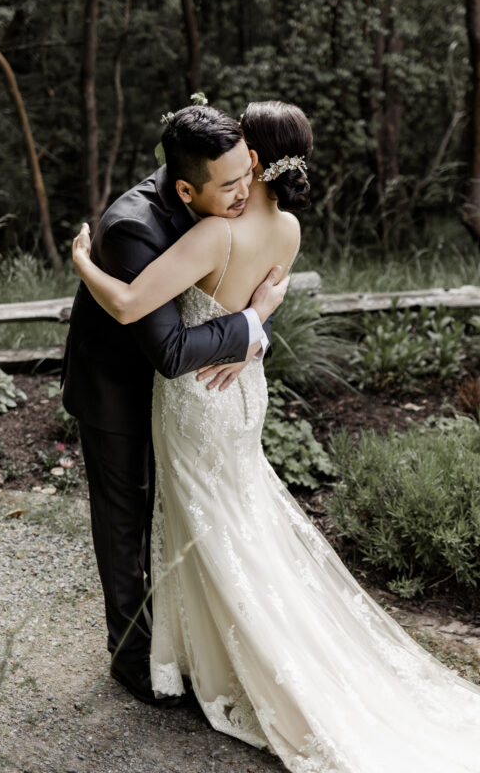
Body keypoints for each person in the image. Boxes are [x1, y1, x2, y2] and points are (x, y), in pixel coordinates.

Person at [72, 101, 480, 773]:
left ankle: (237, 658)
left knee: (210, 524)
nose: (235, 181)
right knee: (241, 520)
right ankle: (208, 647)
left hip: (197, 399)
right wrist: (253, 324)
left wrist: (82, 261)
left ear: (255, 161)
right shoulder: (287, 229)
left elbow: (130, 306)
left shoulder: (213, 234)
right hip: (240, 392)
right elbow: (253, 303)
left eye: (242, 165)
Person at [61, 104, 289, 707]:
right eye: (231, 185)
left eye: (250, 173)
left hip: (183, 397)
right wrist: (252, 320)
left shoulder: (232, 203)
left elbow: (247, 273)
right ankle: (133, 657)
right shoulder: (132, 225)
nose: (246, 192)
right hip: (119, 386)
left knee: (178, 515)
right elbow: (169, 349)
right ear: (186, 188)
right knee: (125, 521)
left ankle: (181, 644)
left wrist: (254, 320)